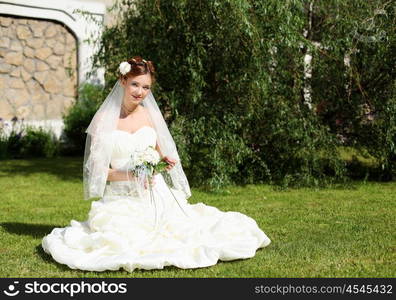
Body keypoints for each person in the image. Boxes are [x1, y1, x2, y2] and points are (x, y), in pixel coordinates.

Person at [42, 56, 271, 272]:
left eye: (146, 87)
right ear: (122, 81)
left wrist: (164, 162)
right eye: (135, 84)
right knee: (123, 238)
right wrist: (130, 174)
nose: (140, 92)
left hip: (156, 192)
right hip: (122, 197)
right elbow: (99, 172)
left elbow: (160, 155)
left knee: (188, 232)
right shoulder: (104, 120)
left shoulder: (150, 115)